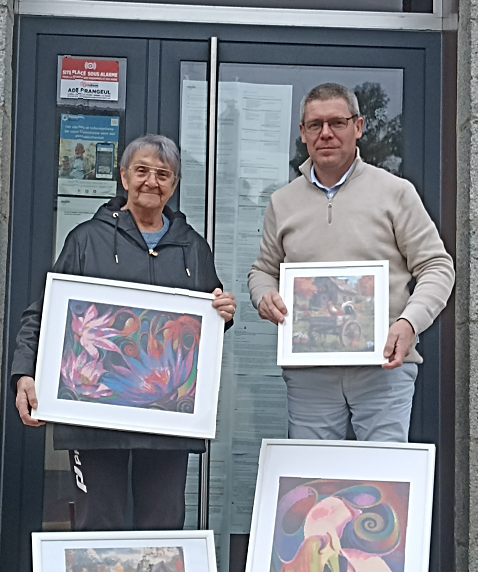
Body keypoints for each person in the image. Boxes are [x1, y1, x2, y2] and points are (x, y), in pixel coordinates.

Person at [12, 134, 236, 530]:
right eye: (142, 171)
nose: (152, 181)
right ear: (124, 176)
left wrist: (224, 313)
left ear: (174, 184)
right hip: (94, 418)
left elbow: (204, 326)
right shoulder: (86, 239)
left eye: (163, 174)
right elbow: (45, 312)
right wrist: (24, 374)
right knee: (98, 523)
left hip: (168, 421)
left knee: (163, 525)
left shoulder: (194, 249)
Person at [248, 83, 455, 442]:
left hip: (384, 367)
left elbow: (437, 266)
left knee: (383, 471)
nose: (326, 133)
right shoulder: (282, 202)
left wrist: (409, 323)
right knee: (311, 469)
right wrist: (263, 295)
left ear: (358, 127)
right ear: (303, 133)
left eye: (337, 123)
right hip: (310, 372)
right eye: (315, 125)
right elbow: (263, 271)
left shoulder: (396, 192)